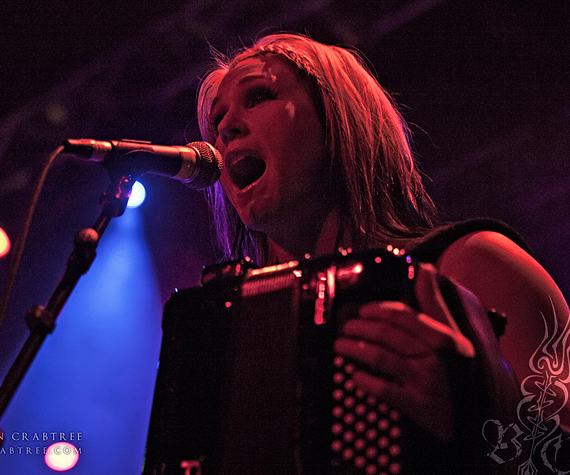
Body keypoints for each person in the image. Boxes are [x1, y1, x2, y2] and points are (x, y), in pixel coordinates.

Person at [195, 33, 570, 472]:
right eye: (216, 121)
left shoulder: (473, 264)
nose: (225, 129)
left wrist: (478, 412)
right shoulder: (234, 335)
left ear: (338, 122)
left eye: (258, 96)